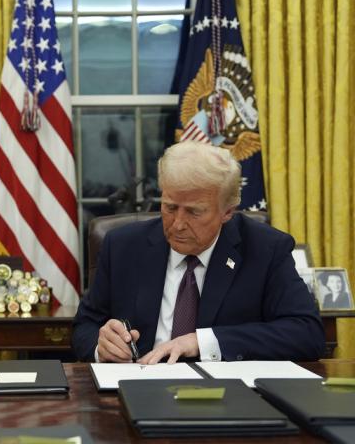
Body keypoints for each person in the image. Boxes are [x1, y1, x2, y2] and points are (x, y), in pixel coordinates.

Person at [72, 141, 324, 364]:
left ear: (228, 212)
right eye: (170, 207)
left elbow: (306, 334)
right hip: (137, 387)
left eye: (194, 212)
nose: (178, 223)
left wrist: (203, 342)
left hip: (228, 399)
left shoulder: (265, 249)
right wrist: (101, 346)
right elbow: (84, 328)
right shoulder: (123, 246)